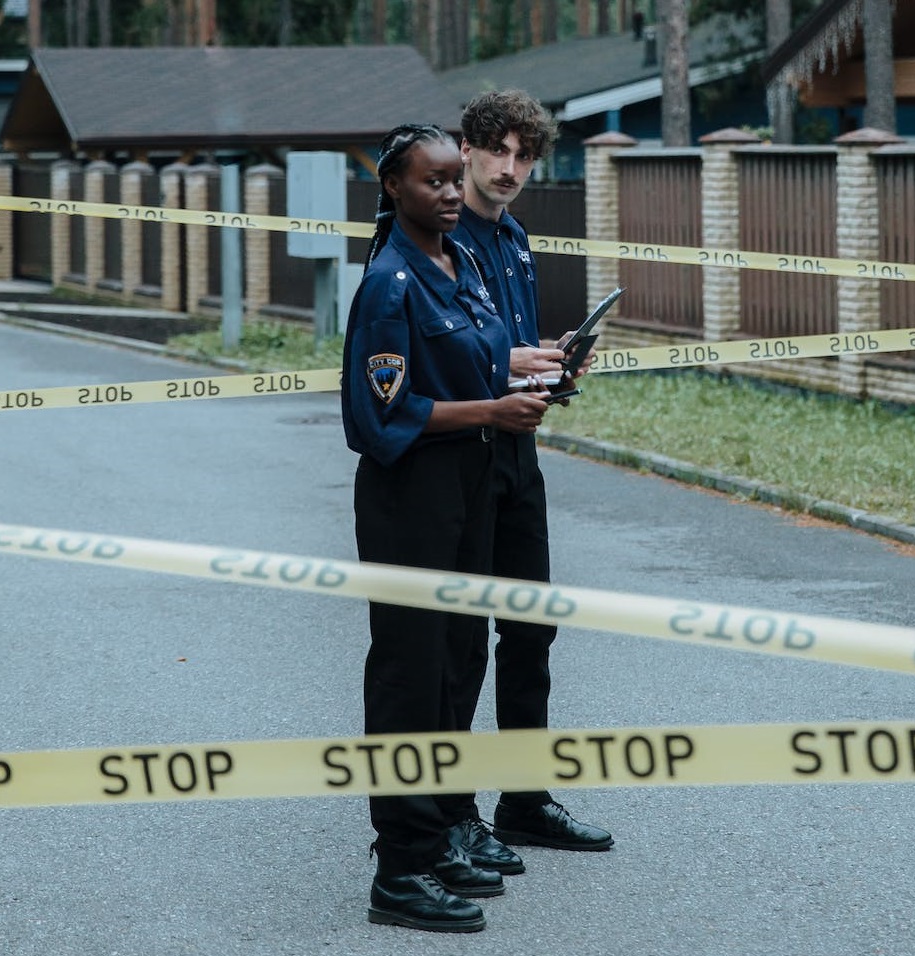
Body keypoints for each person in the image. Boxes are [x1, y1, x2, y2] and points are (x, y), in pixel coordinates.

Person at [340, 123, 550, 934]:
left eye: (455, 180)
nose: (453, 194)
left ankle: (434, 839)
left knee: (457, 663)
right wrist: (492, 410)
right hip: (412, 496)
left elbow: (479, 358)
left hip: (470, 486)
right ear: (393, 188)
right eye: (433, 182)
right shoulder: (390, 283)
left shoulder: (460, 263)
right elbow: (378, 413)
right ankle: (398, 868)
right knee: (409, 672)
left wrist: (534, 374)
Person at [446, 90, 614, 875]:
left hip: (521, 452)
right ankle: (455, 814)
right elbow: (437, 354)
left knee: (530, 629)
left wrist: (552, 358)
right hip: (460, 455)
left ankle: (524, 799)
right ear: (468, 150)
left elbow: (509, 345)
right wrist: (509, 363)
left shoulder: (514, 239)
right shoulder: (440, 240)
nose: (509, 169)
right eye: (497, 152)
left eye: (524, 155)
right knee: (460, 643)